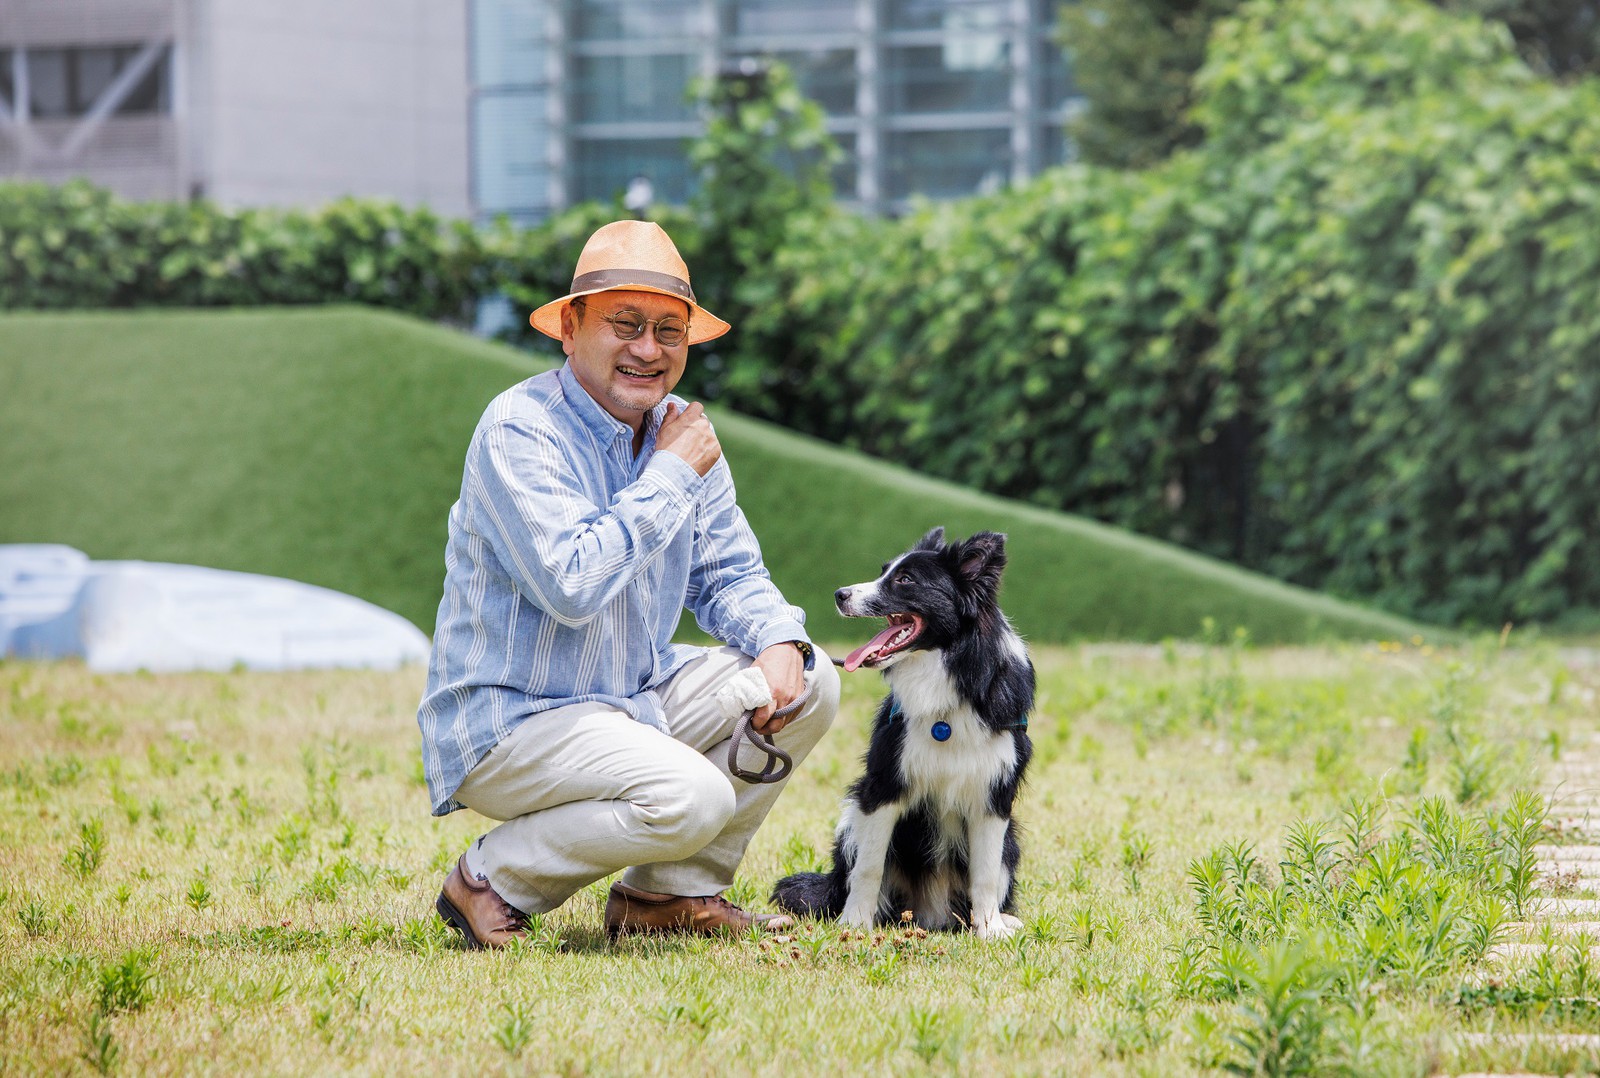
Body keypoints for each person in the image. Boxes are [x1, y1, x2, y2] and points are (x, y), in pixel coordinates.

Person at [417, 220, 840, 948]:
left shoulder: (678, 428)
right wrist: (672, 474)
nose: (649, 349)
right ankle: (490, 878)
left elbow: (729, 571)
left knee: (811, 678)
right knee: (692, 797)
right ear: (570, 328)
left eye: (669, 331)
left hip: (628, 700)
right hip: (511, 721)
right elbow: (572, 585)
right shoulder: (520, 431)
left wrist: (776, 639)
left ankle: (662, 900)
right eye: (626, 324)